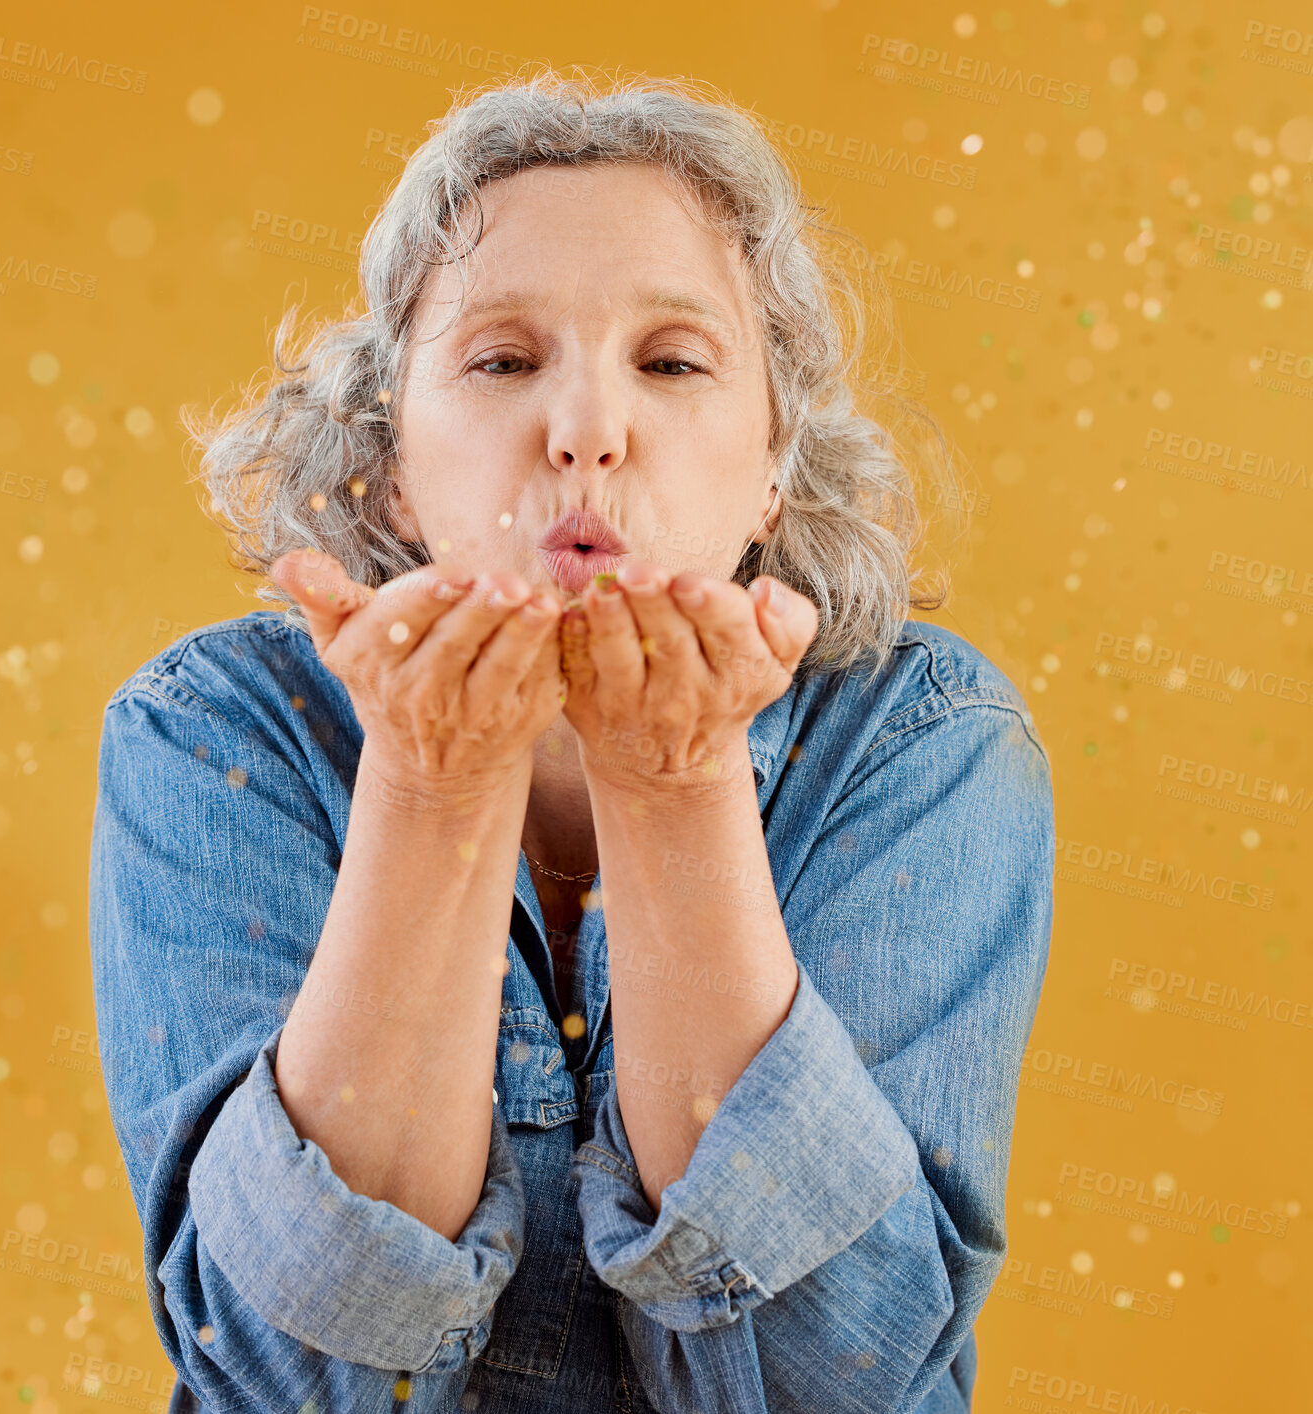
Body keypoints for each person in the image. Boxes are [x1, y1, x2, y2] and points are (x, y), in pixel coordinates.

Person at [89, 69, 1055, 1414]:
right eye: (499, 359)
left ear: (775, 459)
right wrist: (430, 790)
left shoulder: (928, 739)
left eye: (670, 362)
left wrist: (678, 781)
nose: (587, 431)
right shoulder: (204, 735)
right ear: (389, 468)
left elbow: (836, 1378)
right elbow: (280, 1380)